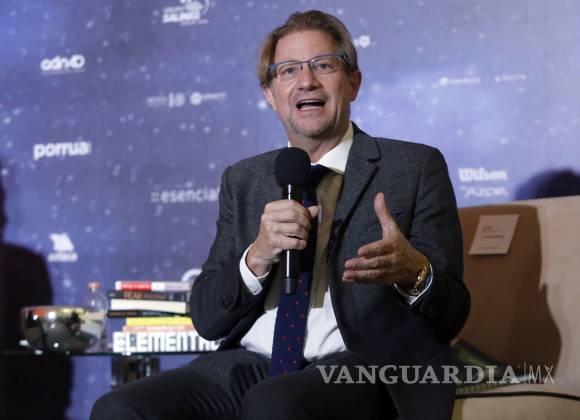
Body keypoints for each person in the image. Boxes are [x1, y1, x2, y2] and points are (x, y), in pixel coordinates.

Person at [91, 9, 470, 420]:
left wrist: (414, 273)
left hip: (365, 366)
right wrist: (256, 257)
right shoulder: (244, 179)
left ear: (353, 83)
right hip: (254, 363)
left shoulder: (412, 167)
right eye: (288, 70)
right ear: (269, 94)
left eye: (323, 65)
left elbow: (452, 313)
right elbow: (206, 318)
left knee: (275, 403)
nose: (306, 81)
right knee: (119, 407)